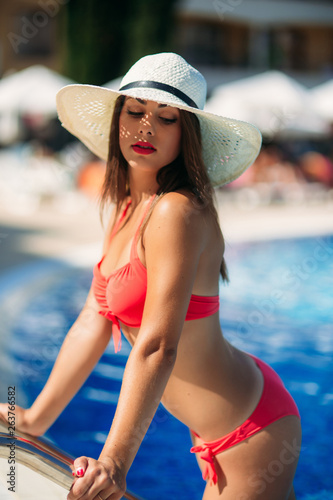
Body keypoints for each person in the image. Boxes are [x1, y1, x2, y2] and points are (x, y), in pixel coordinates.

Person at [0, 53, 301, 499]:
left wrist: (115, 463)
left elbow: (159, 345)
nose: (146, 128)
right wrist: (34, 418)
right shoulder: (127, 207)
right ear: (117, 118)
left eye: (166, 118)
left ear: (187, 135)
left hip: (252, 428)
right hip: (216, 425)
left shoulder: (177, 211)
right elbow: (93, 317)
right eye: (135, 111)